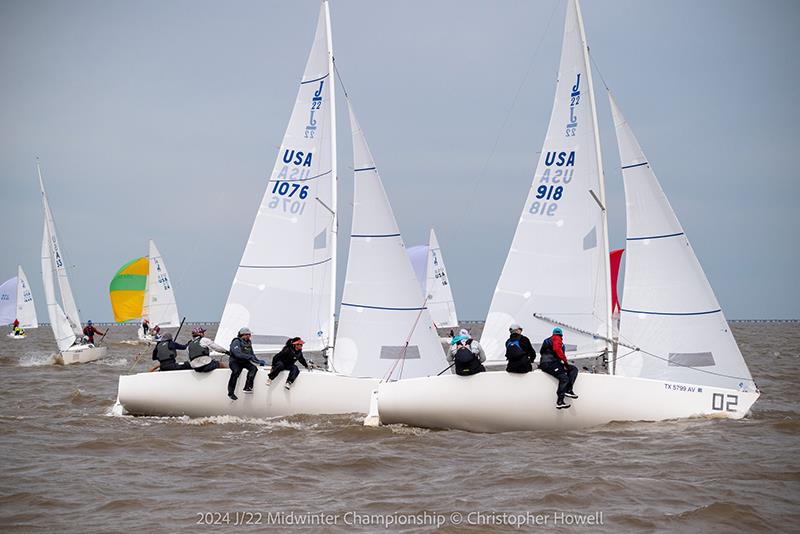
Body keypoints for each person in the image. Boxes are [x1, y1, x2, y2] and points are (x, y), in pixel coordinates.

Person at [539, 327, 579, 409]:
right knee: (564, 378)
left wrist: (563, 363)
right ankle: (561, 400)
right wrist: (565, 361)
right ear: (561, 335)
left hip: (550, 363)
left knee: (573, 369)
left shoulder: (548, 340)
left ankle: (567, 392)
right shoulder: (556, 338)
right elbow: (557, 349)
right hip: (550, 364)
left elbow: (542, 352)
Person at [228, 327, 266, 400]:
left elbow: (252, 354)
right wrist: (249, 357)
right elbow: (237, 354)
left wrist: (258, 361)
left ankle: (247, 387)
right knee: (236, 372)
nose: (249, 336)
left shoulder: (248, 342)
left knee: (254, 368)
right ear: (242, 335)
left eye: (250, 335)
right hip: (235, 362)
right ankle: (231, 393)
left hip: (244, 362)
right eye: (247, 335)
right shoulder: (236, 341)